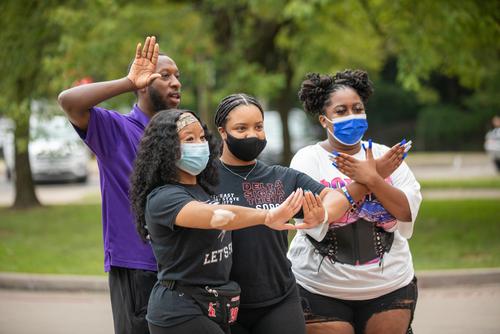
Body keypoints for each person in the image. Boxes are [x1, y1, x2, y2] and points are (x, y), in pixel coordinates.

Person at [212, 93, 405, 334]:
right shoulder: (206, 179)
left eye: (258, 127)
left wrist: (322, 214)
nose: (252, 135)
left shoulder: (282, 177)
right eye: (241, 128)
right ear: (222, 131)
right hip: (222, 300)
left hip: (278, 301)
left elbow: (332, 196)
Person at [129, 109, 319, 334]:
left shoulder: (204, 190)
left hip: (216, 306)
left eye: (201, 138)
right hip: (179, 311)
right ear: (166, 148)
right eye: (189, 139)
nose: (199, 144)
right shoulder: (164, 197)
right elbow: (216, 216)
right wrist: (267, 216)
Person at [57, 36, 181, 334]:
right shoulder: (115, 130)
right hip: (137, 265)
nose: (176, 82)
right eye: (165, 76)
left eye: (178, 76)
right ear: (142, 84)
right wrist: (128, 81)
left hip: (179, 266)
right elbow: (68, 101)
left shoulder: (182, 136)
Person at [288, 70, 422, 334]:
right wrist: (370, 179)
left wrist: (375, 179)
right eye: (341, 111)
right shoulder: (307, 160)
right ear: (324, 120)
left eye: (357, 108)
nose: (352, 116)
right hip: (320, 290)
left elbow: (406, 211)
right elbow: (318, 217)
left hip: (390, 286)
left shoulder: (386, 155)